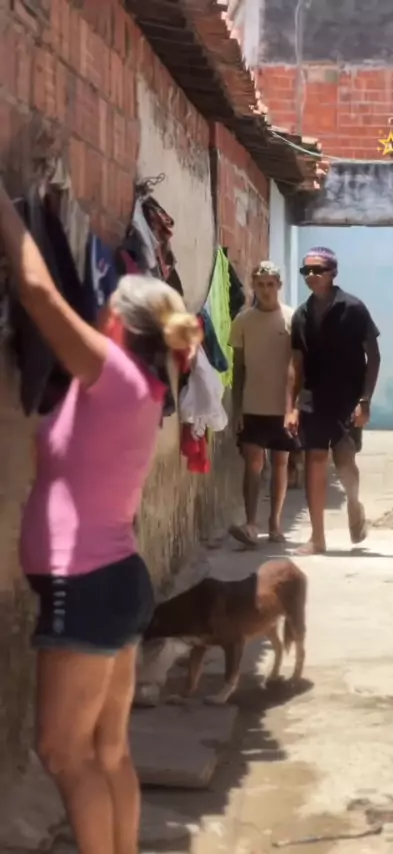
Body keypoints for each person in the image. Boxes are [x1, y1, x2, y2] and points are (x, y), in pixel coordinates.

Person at [0, 181, 202, 854]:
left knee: (63, 753)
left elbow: (37, 291)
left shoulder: (109, 370)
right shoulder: (144, 385)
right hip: (114, 581)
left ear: (118, 322)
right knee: (108, 752)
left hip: (86, 588)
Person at [286, 247, 380, 555]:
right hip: (313, 398)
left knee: (344, 459)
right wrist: (291, 408)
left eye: (318, 270)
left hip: (347, 397)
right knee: (315, 460)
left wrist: (365, 400)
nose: (311, 275)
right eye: (306, 271)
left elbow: (373, 356)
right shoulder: (300, 315)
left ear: (333, 273)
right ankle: (317, 538)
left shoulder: (354, 308)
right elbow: (296, 364)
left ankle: (353, 502)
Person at [228, 261, 297, 547]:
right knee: (253, 463)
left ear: (279, 286)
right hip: (252, 404)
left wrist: (294, 408)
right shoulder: (243, 321)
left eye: (270, 285)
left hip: (282, 407)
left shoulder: (293, 319)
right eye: (260, 285)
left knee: (280, 463)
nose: (266, 290)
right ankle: (251, 523)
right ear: (253, 287)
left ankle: (275, 524)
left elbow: (299, 365)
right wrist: (236, 409)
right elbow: (238, 368)